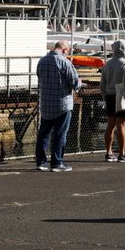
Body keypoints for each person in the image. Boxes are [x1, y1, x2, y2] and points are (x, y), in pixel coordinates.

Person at [36, 41, 82, 172]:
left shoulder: (42, 61)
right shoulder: (65, 62)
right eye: (68, 51)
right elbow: (75, 83)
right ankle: (56, 163)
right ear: (64, 50)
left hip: (46, 103)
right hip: (62, 104)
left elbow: (39, 76)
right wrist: (80, 81)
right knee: (60, 134)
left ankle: (41, 162)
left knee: (43, 134)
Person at [100, 39, 125, 163]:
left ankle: (109, 153)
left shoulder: (107, 64)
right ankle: (122, 154)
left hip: (110, 96)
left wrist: (105, 97)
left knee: (110, 124)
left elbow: (102, 84)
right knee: (121, 125)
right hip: (121, 96)